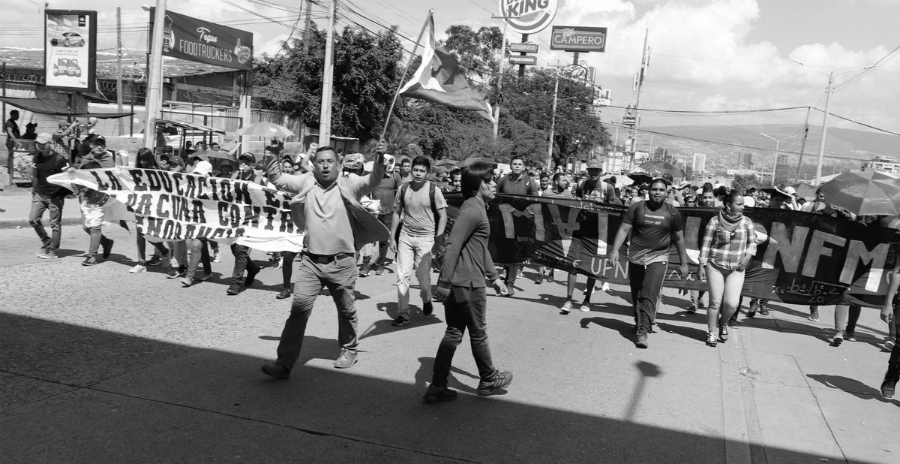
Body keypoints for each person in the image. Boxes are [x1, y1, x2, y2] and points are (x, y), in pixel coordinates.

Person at [259, 143, 390, 379]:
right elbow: (277, 179)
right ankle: (284, 363)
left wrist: (380, 157)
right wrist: (272, 155)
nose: (325, 165)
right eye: (320, 161)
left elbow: (373, 180)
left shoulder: (350, 183)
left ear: (338, 164)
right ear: (314, 164)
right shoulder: (306, 181)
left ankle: (349, 349)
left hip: (342, 262)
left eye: (330, 161)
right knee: (298, 311)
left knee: (346, 310)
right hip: (310, 262)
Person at [423, 162, 512, 403]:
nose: (494, 184)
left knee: (453, 332)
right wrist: (444, 283)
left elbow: (479, 248)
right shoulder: (472, 210)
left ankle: (437, 386)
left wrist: (494, 277)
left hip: (462, 283)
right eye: (490, 180)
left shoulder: (477, 208)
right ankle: (488, 379)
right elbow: (452, 246)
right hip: (467, 284)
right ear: (478, 185)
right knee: (478, 333)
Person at [609, 178, 690, 349]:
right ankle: (640, 322)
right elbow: (624, 229)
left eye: (661, 190)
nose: (657, 192)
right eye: (654, 189)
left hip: (658, 258)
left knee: (650, 293)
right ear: (648, 191)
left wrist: (684, 263)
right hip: (636, 257)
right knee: (636, 293)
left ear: (667, 192)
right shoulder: (637, 208)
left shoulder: (673, 212)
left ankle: (643, 331)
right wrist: (615, 250)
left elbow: (679, 238)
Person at [389, 156, 448, 326]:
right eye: (416, 170)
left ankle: (427, 298)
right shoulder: (403, 189)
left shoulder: (433, 190)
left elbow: (443, 216)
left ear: (427, 173)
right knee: (402, 276)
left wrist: (438, 240)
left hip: (426, 239)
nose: (418, 174)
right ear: (411, 170)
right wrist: (392, 237)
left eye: (422, 171)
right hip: (406, 237)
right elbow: (396, 213)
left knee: (423, 279)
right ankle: (403, 313)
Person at [698, 191, 757, 346]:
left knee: (732, 303)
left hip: (737, 268)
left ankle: (722, 322)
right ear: (728, 205)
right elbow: (705, 244)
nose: (743, 207)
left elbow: (752, 243)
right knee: (715, 302)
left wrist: (747, 257)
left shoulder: (747, 222)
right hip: (715, 266)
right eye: (739, 204)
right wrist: (701, 265)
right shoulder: (714, 221)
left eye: (743, 204)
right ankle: (711, 332)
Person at [561, 160, 615, 313]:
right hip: (580, 230)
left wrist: (602, 205)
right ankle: (569, 300)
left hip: (597, 233)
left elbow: (614, 208)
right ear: (587, 171)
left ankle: (587, 300)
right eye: (591, 170)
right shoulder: (581, 185)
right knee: (573, 265)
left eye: (596, 170)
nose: (593, 173)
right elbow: (576, 201)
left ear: (601, 171)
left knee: (593, 268)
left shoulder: (608, 188)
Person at [497, 155, 539, 296]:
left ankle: (510, 284)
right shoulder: (503, 180)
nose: (516, 166)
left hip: (522, 222)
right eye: (514, 163)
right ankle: (506, 279)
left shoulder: (530, 182)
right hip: (505, 221)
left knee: (515, 253)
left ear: (523, 167)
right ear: (510, 165)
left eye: (519, 164)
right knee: (506, 251)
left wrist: (525, 214)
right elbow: (496, 198)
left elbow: (536, 201)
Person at [72, 135, 116, 266]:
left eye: (102, 144)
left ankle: (92, 256)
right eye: (96, 144)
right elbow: (80, 175)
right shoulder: (87, 158)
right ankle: (106, 242)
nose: (99, 146)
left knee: (94, 226)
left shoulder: (108, 159)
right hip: (85, 196)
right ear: (91, 145)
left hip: (100, 197)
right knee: (86, 227)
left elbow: (108, 177)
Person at [226, 152, 265, 295]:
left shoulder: (258, 178)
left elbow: (260, 193)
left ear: (253, 165)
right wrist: (234, 178)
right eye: (241, 162)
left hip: (251, 219)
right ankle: (253, 268)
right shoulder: (236, 176)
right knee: (234, 249)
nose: (243, 164)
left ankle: (236, 284)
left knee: (240, 249)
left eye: (247, 162)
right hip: (236, 218)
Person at [360, 153, 402, 277]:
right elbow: (366, 191)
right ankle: (365, 265)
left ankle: (380, 264)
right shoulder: (373, 176)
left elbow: (400, 194)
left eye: (388, 162)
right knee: (369, 239)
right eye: (383, 162)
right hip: (374, 212)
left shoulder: (395, 176)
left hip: (389, 212)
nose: (386, 165)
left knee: (384, 240)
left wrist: (400, 211)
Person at [29, 132, 70, 259]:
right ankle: (47, 242)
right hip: (40, 194)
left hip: (55, 196)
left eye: (43, 144)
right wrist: (34, 191)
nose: (40, 146)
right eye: (38, 144)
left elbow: (68, 178)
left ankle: (53, 250)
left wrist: (62, 195)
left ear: (50, 144)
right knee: (33, 219)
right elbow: (35, 175)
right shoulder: (37, 157)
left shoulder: (59, 159)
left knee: (55, 225)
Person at [129, 148, 170, 273]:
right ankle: (141, 262)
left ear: (150, 159)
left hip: (153, 208)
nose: (142, 162)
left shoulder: (157, 173)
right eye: (140, 159)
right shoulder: (135, 172)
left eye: (145, 159)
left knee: (150, 234)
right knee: (140, 235)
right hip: (140, 207)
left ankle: (165, 252)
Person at [4, 109, 21, 187]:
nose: (18, 116)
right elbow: (9, 131)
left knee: (14, 157)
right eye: (17, 115)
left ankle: (13, 170)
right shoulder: (9, 122)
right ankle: (9, 171)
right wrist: (15, 140)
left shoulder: (13, 122)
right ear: (13, 115)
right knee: (11, 156)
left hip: (14, 142)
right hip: (11, 142)